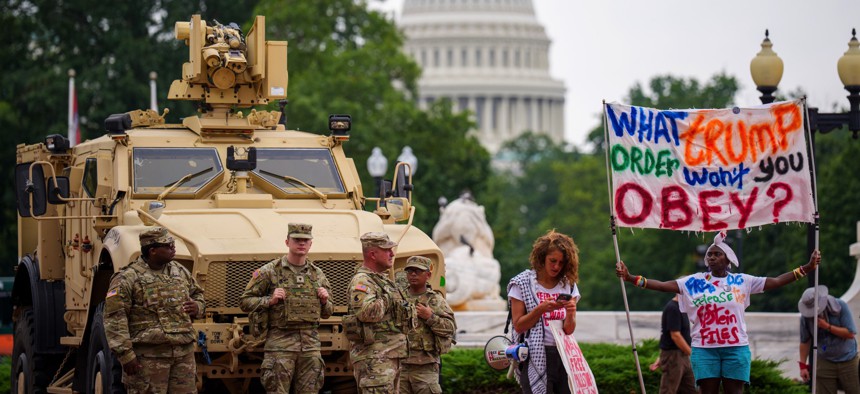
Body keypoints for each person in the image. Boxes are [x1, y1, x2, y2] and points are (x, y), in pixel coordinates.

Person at [615, 231, 821, 394]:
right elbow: (662, 285)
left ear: (727, 259)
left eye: (717, 254)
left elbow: (775, 281)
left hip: (735, 348)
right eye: (709, 255)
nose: (711, 257)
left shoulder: (742, 281)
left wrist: (806, 268)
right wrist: (631, 277)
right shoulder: (693, 281)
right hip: (705, 350)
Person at [104, 226, 205, 393]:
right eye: (168, 246)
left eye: (173, 244)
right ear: (152, 251)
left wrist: (198, 307)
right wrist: (126, 356)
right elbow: (114, 319)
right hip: (148, 359)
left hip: (183, 356)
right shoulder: (128, 278)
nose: (173, 249)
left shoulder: (179, 271)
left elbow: (198, 295)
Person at [239, 222, 332, 394]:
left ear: (311, 244)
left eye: (306, 240)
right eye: (297, 239)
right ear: (287, 242)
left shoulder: (317, 274)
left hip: (310, 348)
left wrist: (325, 300)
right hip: (280, 347)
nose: (301, 243)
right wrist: (270, 300)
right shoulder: (269, 271)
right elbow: (245, 301)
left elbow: (327, 313)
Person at [507, 229, 580, 394]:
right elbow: (518, 326)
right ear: (542, 258)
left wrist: (571, 312)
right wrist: (540, 310)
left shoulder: (568, 284)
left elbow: (569, 329)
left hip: (564, 353)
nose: (556, 267)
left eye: (561, 263)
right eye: (553, 261)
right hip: (535, 354)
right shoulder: (521, 283)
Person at [346, 232, 413, 393]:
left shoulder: (382, 280)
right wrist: (389, 297)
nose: (392, 254)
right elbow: (367, 313)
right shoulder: (362, 281)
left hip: (390, 358)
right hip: (374, 361)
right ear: (373, 254)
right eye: (387, 250)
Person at [398, 256, 457, 394]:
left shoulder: (436, 300)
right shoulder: (398, 299)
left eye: (418, 271)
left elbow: (450, 329)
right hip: (400, 365)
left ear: (428, 275)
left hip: (425, 367)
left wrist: (430, 317)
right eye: (410, 271)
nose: (413, 274)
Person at [797, 285, 859, 394]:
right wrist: (803, 366)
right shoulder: (805, 318)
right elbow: (805, 341)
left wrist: (827, 326)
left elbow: (850, 333)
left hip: (848, 359)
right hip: (824, 360)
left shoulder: (841, 306)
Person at [649, 294, 696, 394]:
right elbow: (675, 335)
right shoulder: (673, 308)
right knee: (668, 390)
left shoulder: (682, 308)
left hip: (683, 356)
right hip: (674, 356)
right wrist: (692, 353)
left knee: (692, 389)